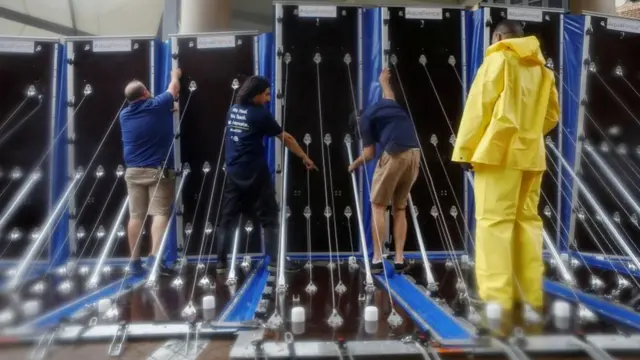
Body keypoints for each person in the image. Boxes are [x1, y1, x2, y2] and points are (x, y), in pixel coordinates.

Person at [451, 20, 559, 326]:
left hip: (498, 155)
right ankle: (530, 295)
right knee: (527, 223)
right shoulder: (543, 70)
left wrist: (466, 150)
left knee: (494, 223)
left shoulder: (498, 59)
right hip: (533, 156)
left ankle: (496, 297)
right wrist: (528, 135)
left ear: (498, 37)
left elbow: (478, 107)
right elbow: (551, 115)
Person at [216, 75, 317, 273]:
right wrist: (305, 157)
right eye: (266, 94)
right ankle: (276, 260)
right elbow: (285, 137)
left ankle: (220, 262)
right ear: (255, 95)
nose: (269, 98)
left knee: (227, 217)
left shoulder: (233, 110)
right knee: (269, 215)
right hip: (255, 171)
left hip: (234, 171)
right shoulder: (260, 114)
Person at [348, 68, 420, 274]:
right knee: (399, 207)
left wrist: (353, 165)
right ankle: (399, 259)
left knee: (378, 206)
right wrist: (383, 82)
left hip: (395, 153)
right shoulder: (385, 105)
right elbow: (390, 94)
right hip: (415, 153)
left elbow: (369, 154)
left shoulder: (364, 121)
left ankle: (377, 260)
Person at [119, 68, 182, 275]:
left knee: (136, 216)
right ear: (145, 93)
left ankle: (134, 262)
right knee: (160, 213)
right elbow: (173, 89)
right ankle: (155, 261)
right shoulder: (156, 105)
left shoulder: (124, 115)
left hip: (133, 172)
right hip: (157, 170)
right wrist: (174, 75)